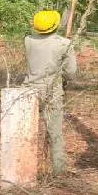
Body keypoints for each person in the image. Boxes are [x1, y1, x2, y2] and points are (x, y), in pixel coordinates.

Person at [23, 10, 77, 174]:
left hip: (27, 90)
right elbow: (71, 73)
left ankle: (24, 168)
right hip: (51, 92)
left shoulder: (28, 40)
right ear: (56, 25)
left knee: (24, 131)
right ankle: (58, 172)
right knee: (55, 133)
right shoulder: (64, 44)